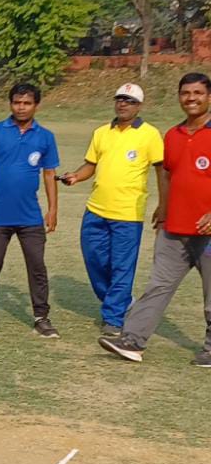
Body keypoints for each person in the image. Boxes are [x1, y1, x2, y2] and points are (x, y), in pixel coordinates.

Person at [100, 73, 211, 366]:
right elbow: (167, 173)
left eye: (198, 93)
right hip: (174, 229)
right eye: (186, 93)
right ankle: (132, 341)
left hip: (208, 231)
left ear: (208, 97)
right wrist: (163, 208)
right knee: (157, 287)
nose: (191, 98)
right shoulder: (172, 136)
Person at [59, 83, 164, 334]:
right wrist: (76, 176)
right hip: (95, 209)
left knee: (121, 266)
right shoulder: (101, 133)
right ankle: (122, 302)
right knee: (94, 260)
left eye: (129, 100)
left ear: (139, 106)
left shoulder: (150, 135)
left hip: (127, 214)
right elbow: (90, 164)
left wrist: (163, 204)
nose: (123, 104)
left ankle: (114, 319)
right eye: (120, 99)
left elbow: (162, 171)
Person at [0, 83, 60, 337]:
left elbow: (50, 173)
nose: (21, 107)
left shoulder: (45, 137)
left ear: (36, 105)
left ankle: (42, 316)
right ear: (10, 104)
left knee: (37, 265)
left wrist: (53, 209)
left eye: (27, 103)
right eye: (17, 102)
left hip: (29, 215)